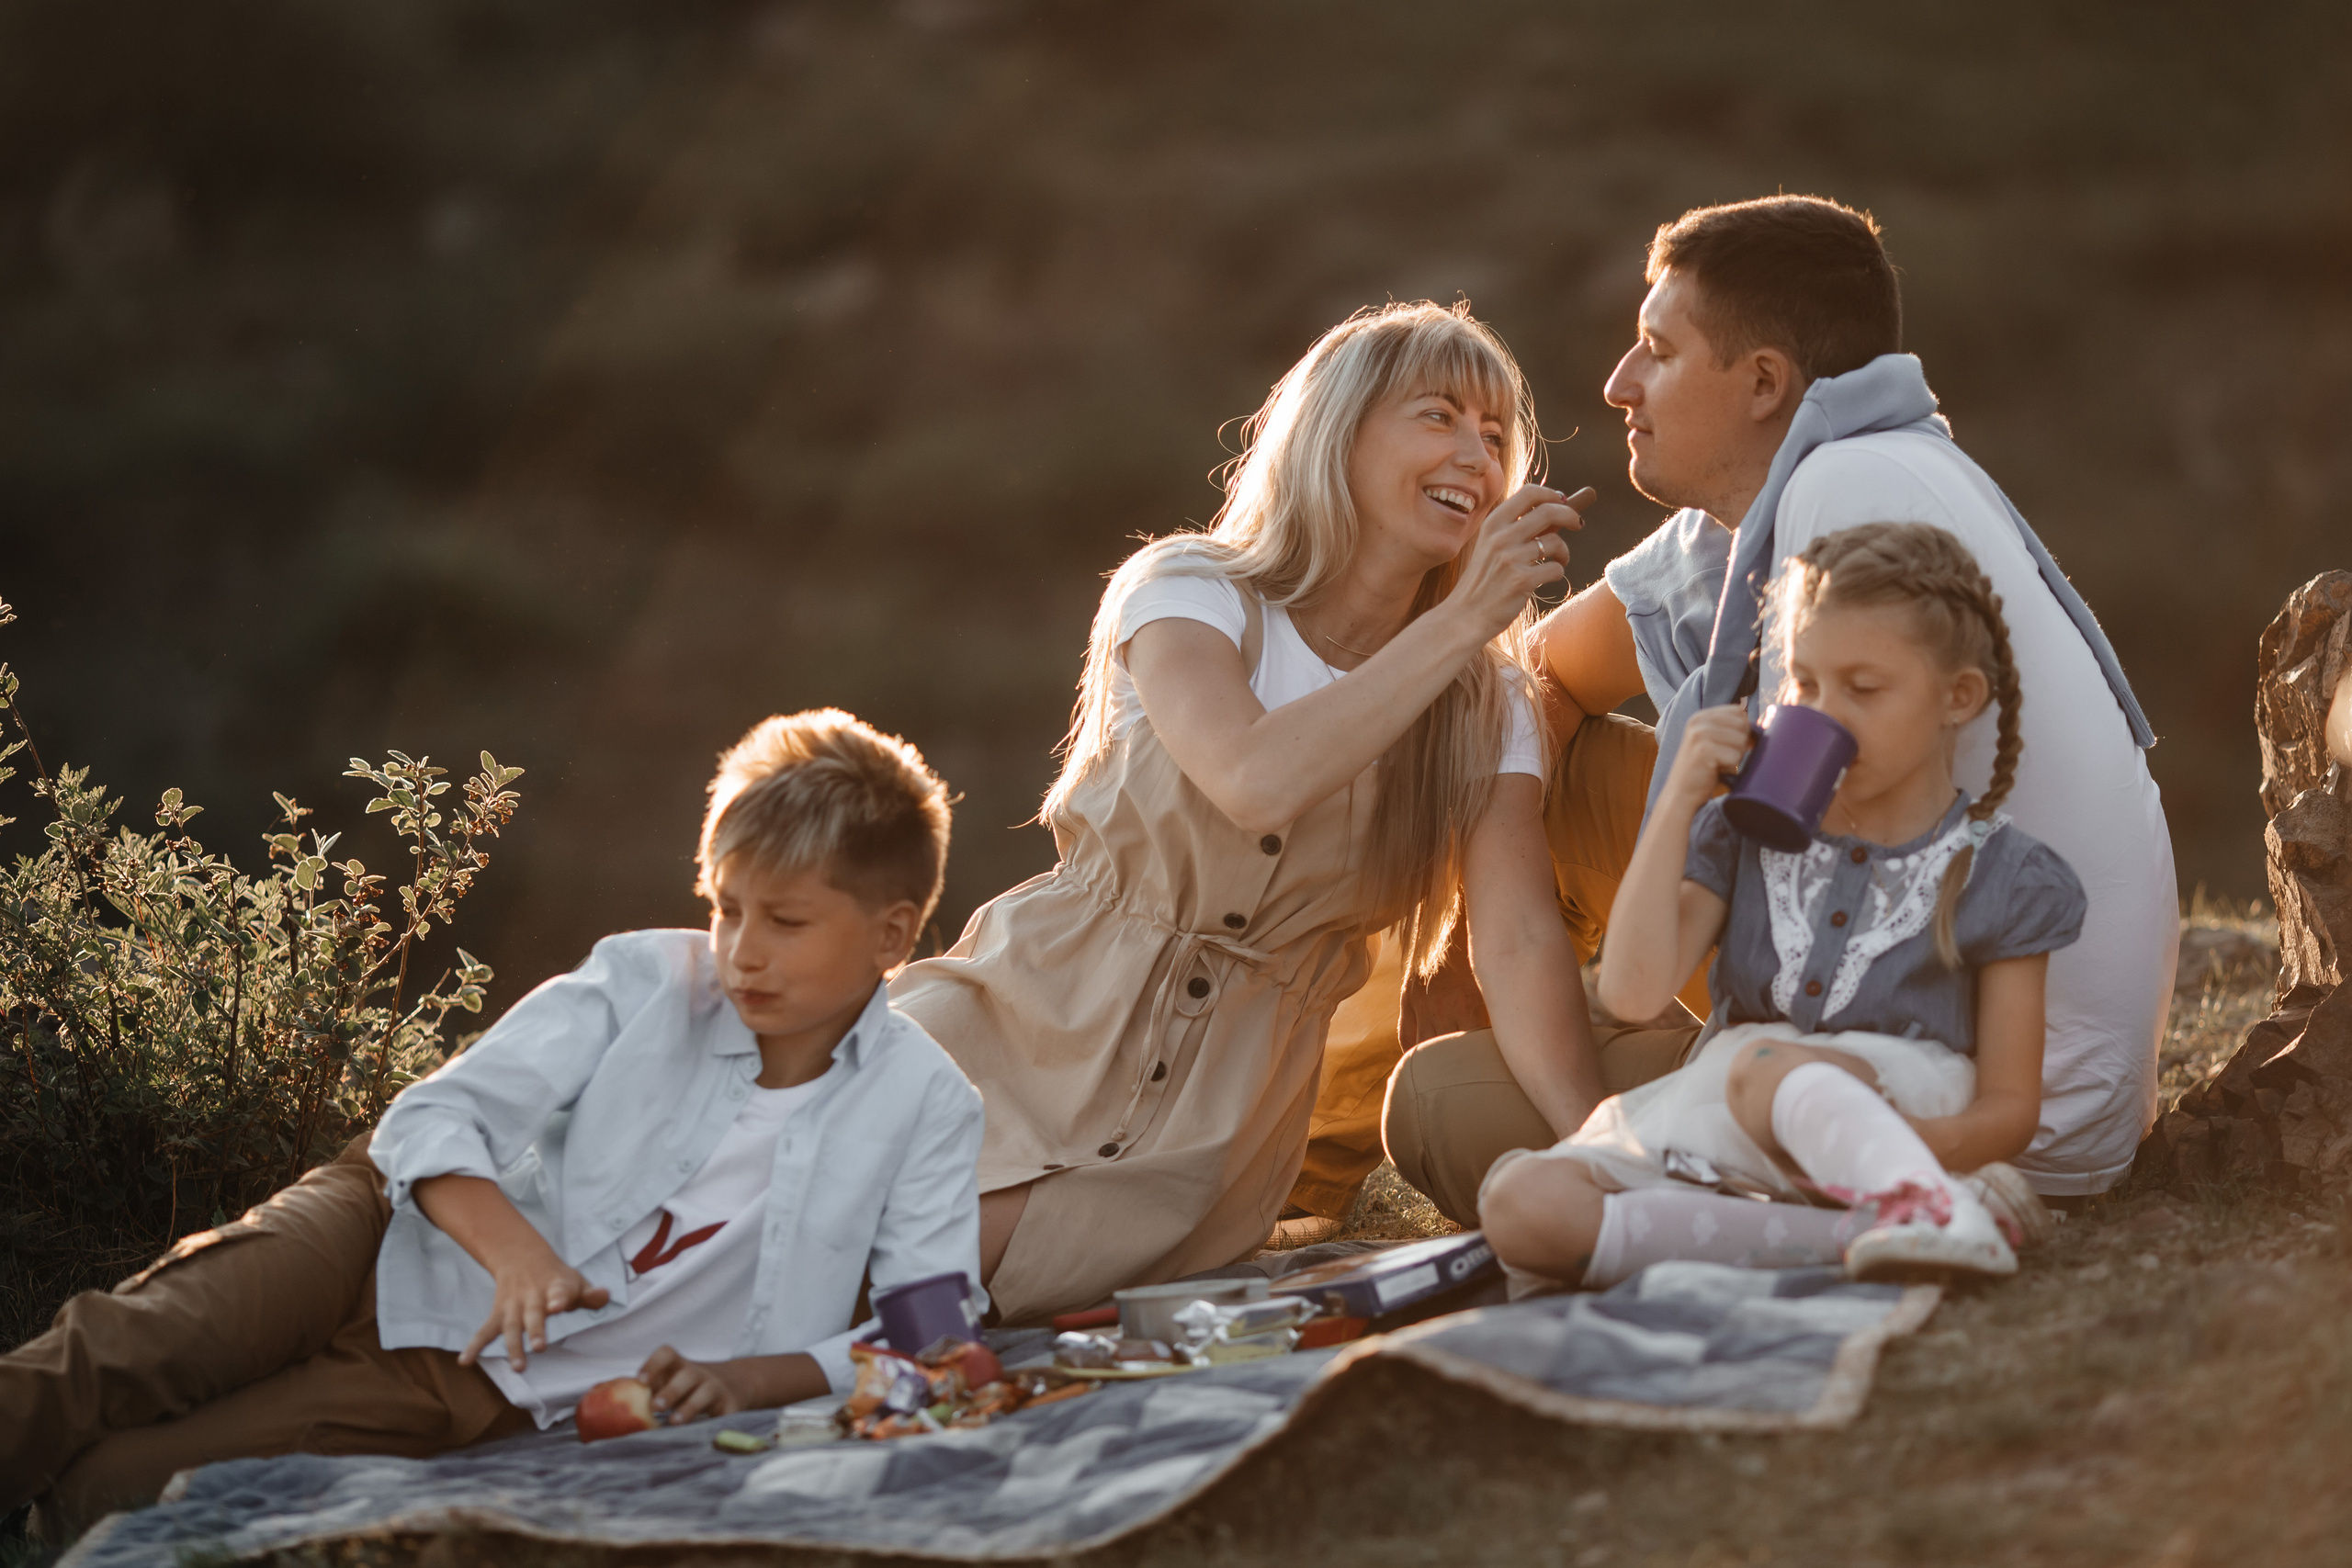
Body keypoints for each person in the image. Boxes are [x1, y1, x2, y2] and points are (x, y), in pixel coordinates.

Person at [891, 300, 1682, 1324]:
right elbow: (1254, 777)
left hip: (1214, 1126)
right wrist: (1465, 624)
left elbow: (1522, 942)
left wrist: (1602, 1149)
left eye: (1496, 439)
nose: (1475, 457)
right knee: (769, 1215)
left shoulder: (1488, 708)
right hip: (1026, 1015)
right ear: (1336, 431)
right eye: (1438, 416)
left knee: (935, 1285)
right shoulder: (1191, 590)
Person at [3, 709, 984, 1529]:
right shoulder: (646, 978)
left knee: (108, 1496)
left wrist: (755, 1380)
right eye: (727, 910)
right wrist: (518, 1256)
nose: (742, 952)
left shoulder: (929, 1105)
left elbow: (930, 1337)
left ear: (893, 933)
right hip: (381, 1227)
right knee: (127, 1348)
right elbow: (434, 1115)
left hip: (480, 1379)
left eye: (786, 920)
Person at [1385, 195, 2175, 1213]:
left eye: (1656, 351)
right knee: (1532, 761)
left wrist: (1606, 1114)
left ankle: (1565, 1161)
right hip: (1943, 1034)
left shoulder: (1837, 503)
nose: (1617, 386)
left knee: (1440, 1104)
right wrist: (1474, 918)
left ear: (1763, 383)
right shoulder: (1840, 475)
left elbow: (1807, 857)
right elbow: (1535, 676)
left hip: (1961, 1098)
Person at [1481, 523, 2079, 1286]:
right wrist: (1680, 799)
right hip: (1728, 1115)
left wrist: (1914, 1143)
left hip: (1897, 1113)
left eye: (1862, 689)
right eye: (1804, 683)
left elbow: (2009, 1108)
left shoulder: (2002, 871)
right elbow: (1631, 992)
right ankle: (1875, 1232)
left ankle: (1918, 1197)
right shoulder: (1743, 834)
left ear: (1957, 698)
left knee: (1764, 1066)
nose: (1826, 714)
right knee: (1521, 1202)